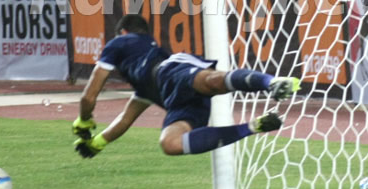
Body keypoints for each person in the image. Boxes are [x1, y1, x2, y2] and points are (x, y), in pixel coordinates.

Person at [72, 15, 300, 158]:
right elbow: (124, 120)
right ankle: (254, 126)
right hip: (177, 102)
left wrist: (83, 120)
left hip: (171, 71)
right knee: (170, 144)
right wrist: (97, 142)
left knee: (212, 81)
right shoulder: (143, 90)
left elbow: (88, 97)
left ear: (123, 33)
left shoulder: (121, 41)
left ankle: (271, 83)